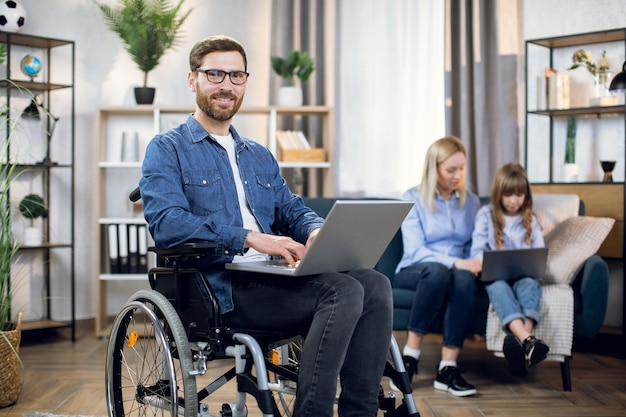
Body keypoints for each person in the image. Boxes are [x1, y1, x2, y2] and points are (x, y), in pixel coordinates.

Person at [138, 35, 393, 417]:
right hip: (221, 288)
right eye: (215, 74)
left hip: (276, 276)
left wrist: (315, 231)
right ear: (193, 80)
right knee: (340, 292)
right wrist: (250, 239)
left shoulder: (258, 155)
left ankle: (360, 411)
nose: (227, 84)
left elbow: (292, 208)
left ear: (245, 81)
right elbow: (167, 223)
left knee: (374, 283)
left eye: (236, 75)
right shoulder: (167, 147)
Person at [393, 136, 481, 397]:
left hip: (456, 272)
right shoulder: (413, 198)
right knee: (438, 272)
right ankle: (409, 358)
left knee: (465, 278)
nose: (458, 175)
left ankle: (448, 368)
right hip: (417, 269)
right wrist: (456, 262)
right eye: (451, 170)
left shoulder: (472, 203)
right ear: (434, 168)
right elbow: (416, 250)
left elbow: (477, 242)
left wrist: (474, 261)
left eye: (462, 168)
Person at [470, 162, 549, 376]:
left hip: (524, 275)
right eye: (508, 195)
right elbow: (476, 250)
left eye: (519, 195)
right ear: (499, 194)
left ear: (526, 195)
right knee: (498, 288)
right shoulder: (486, 215)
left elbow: (539, 253)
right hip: (496, 276)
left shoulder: (531, 219)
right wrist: (482, 261)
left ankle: (524, 342)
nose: (514, 200)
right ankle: (529, 342)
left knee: (530, 285)